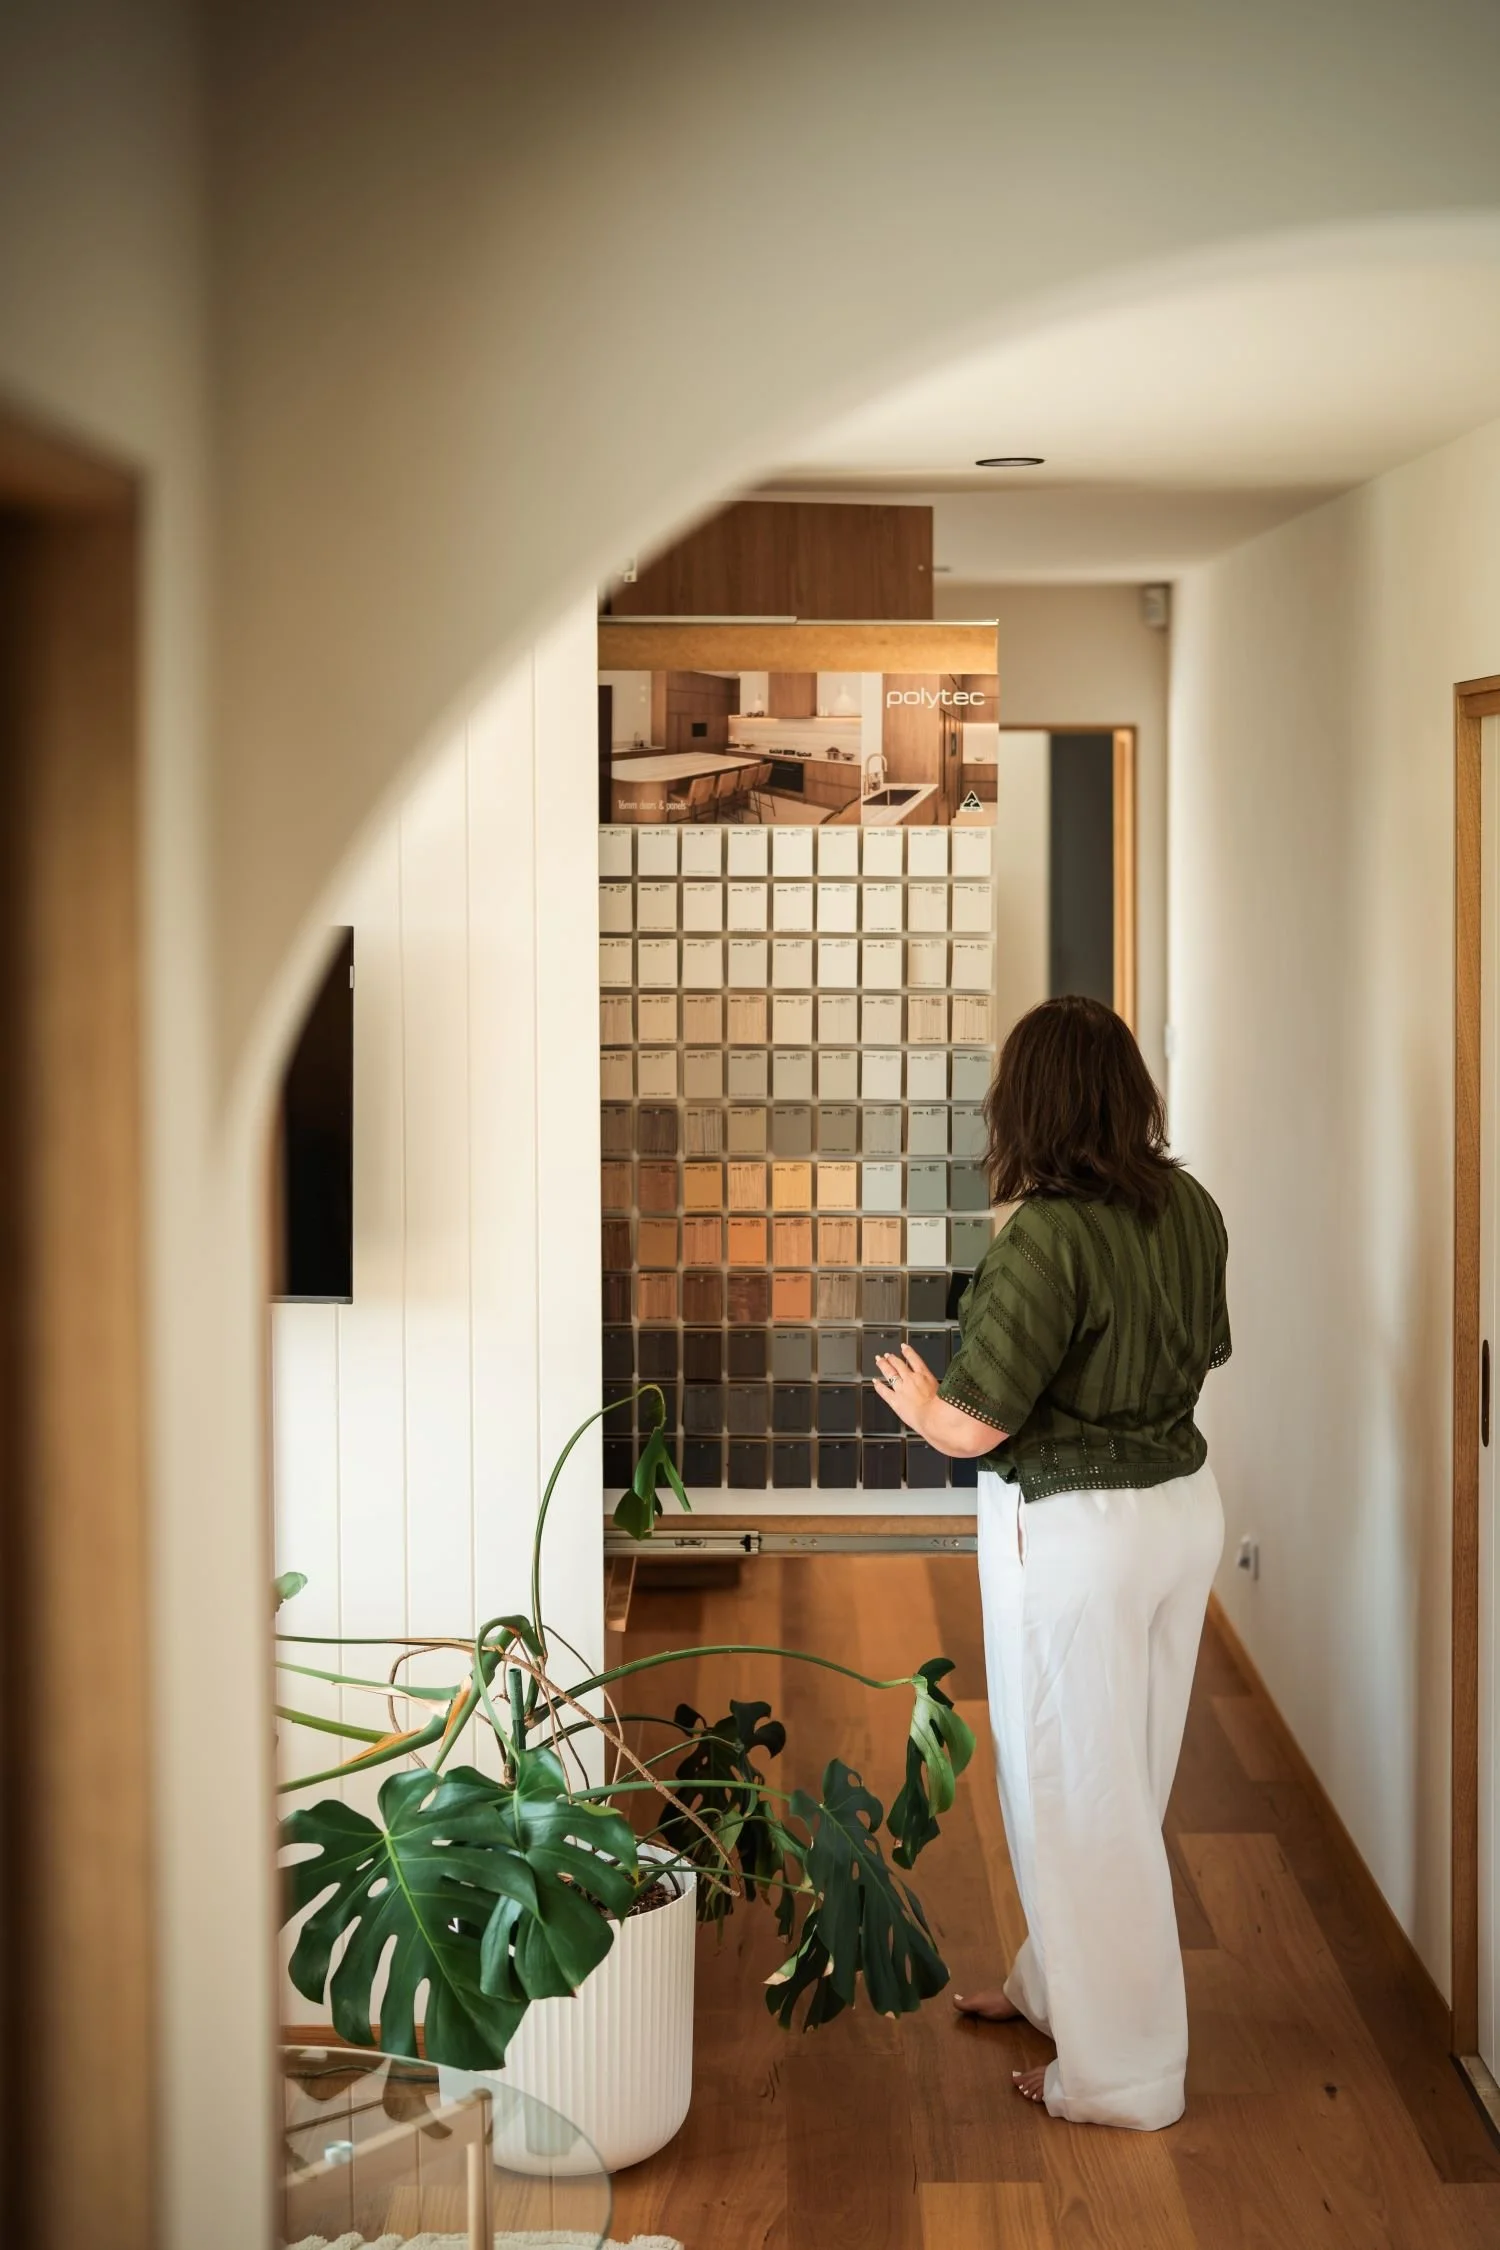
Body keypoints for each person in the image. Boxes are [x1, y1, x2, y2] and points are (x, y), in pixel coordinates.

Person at [873, 994, 1229, 2131]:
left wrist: (923, 1407)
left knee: (1075, 1795)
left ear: (1029, 1103)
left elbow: (976, 1424)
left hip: (1079, 1534)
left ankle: (1123, 2076)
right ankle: (1056, 1990)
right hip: (1181, 1515)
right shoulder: (1190, 1206)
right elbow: (1202, 1350)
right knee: (1124, 1779)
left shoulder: (1045, 1233)